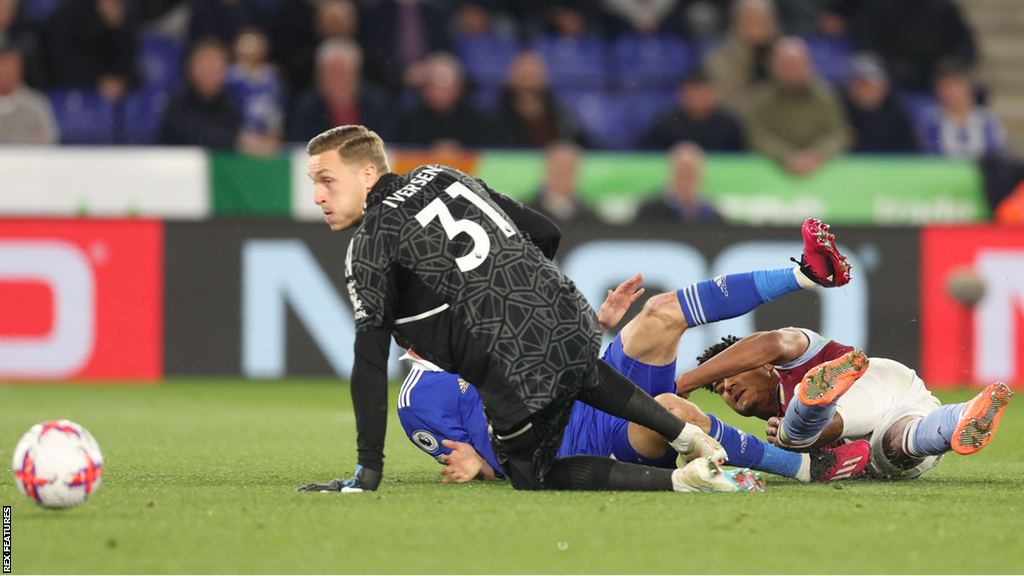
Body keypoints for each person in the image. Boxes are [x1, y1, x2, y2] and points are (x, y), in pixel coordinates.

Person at [296, 124, 753, 494]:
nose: (318, 196)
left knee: (530, 473)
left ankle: (680, 481)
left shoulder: (370, 245)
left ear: (367, 175)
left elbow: (370, 363)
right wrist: (526, 295)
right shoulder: (441, 175)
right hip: (568, 315)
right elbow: (545, 232)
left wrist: (367, 474)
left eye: (327, 181)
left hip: (514, 363)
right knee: (582, 373)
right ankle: (685, 434)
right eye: (315, 183)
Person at [397, 224, 869, 485]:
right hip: (591, 444)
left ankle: (808, 274)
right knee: (669, 412)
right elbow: (481, 461)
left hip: (597, 385)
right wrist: (475, 468)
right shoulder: (420, 400)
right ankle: (806, 466)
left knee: (660, 312)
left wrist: (598, 328)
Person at [676, 323, 1014, 480]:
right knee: (898, 447)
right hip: (911, 408)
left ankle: (812, 406)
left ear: (765, 366)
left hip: (872, 381)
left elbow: (776, 340)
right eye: (718, 389)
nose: (727, 388)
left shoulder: (796, 354)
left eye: (728, 377)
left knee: (795, 435)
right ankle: (963, 416)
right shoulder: (771, 422)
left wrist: (689, 380)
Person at [745, 37, 849, 176]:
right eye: (785, 65)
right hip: (768, 176)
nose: (791, 70)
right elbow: (756, 136)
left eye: (796, 64)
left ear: (808, 65)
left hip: (822, 174)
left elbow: (838, 134)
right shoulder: (760, 99)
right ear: (773, 66)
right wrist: (787, 156)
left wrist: (816, 154)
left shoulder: (826, 97)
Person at [849, 0, 975, 92]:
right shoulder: (881, 7)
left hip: (937, 81)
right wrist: (891, 66)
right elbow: (866, 43)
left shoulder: (944, 8)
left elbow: (966, 47)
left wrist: (950, 64)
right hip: (894, 83)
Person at [287, 39, 394, 142]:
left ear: (356, 75)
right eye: (332, 73)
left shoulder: (378, 104)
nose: (338, 80)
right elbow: (300, 148)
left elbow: (388, 146)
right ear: (319, 77)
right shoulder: (305, 108)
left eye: (343, 73)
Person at [44, 0, 137, 103]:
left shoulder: (120, 12)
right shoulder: (66, 12)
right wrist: (97, 81)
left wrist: (117, 27)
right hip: (74, 87)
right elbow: (60, 58)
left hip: (113, 85)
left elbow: (128, 58)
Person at [396, 53, 494, 148]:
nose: (440, 91)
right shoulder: (408, 121)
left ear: (459, 86)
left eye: (445, 84)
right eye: (433, 84)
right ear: (424, 88)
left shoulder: (478, 122)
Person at [494, 51, 589, 148]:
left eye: (533, 70)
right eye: (523, 71)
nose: (528, 75)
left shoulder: (560, 113)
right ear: (508, 76)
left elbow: (583, 144)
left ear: (546, 76)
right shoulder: (496, 117)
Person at [159, 38, 241, 149]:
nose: (212, 76)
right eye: (208, 69)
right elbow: (195, 137)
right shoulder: (176, 105)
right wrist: (237, 141)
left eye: (218, 69)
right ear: (190, 69)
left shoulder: (231, 105)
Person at [640, 68, 743, 152]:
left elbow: (741, 160)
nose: (698, 101)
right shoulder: (666, 124)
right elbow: (649, 157)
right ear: (682, 95)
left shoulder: (728, 125)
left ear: (712, 93)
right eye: (693, 96)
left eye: (702, 95)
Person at [920, 59, 1005, 160]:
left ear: (968, 88)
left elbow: (997, 153)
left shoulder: (987, 119)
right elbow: (927, 155)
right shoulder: (930, 121)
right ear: (939, 92)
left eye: (957, 86)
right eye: (947, 88)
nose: (953, 93)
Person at [705, 0, 779, 114]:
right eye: (751, 21)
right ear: (736, 23)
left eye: (763, 20)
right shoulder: (721, 57)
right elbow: (727, 103)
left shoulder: (784, 53)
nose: (757, 28)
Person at [841, 53, 919, 153]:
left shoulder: (897, 114)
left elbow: (911, 153)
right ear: (850, 87)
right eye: (861, 85)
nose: (866, 91)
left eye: (870, 85)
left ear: (884, 86)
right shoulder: (840, 112)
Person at [225, 28, 284, 156]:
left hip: (269, 141)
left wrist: (275, 136)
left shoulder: (272, 77)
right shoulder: (230, 77)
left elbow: (278, 110)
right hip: (239, 142)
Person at [635, 142, 723, 224]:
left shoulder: (711, 214)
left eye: (691, 172)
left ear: (702, 175)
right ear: (670, 172)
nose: (686, 177)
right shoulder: (650, 210)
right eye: (682, 171)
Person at [525, 141, 603, 228]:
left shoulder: (590, 216)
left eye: (568, 170)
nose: (563, 175)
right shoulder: (525, 213)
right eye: (559, 169)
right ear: (546, 170)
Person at [0, 41, 58, 144]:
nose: (6, 71)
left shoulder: (36, 104)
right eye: (3, 64)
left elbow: (49, 140)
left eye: (11, 65)